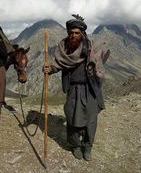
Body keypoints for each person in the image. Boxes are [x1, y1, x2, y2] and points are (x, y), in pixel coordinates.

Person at [43, 14, 110, 161]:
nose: (73, 35)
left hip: (90, 88)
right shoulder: (64, 48)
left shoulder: (90, 47)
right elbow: (58, 64)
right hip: (73, 89)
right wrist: (50, 69)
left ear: (83, 33)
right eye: (71, 33)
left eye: (77, 33)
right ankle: (75, 145)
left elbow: (103, 53)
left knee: (91, 119)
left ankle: (87, 146)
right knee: (72, 117)